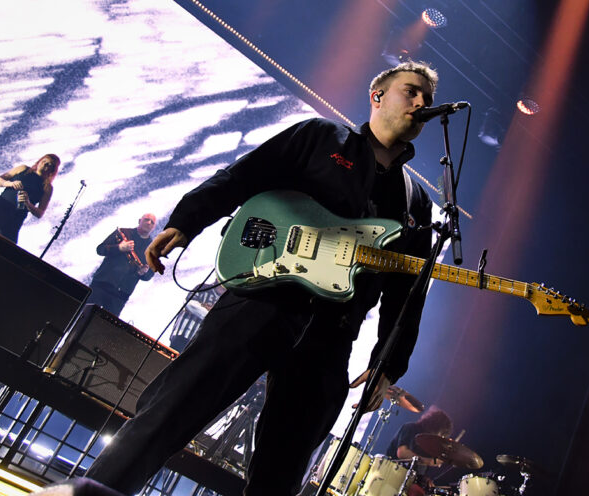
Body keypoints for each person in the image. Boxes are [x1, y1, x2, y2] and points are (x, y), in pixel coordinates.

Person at [84, 60, 439, 496]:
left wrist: (388, 360)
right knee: (170, 414)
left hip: (333, 333)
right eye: (411, 91)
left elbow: (408, 292)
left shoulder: (416, 201)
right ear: (377, 96)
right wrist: (188, 219)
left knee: (282, 472)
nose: (422, 102)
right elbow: (244, 174)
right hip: (263, 299)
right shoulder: (320, 137)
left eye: (428, 98)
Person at [88, 214, 157, 317]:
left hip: (120, 295)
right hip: (101, 284)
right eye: (146, 219)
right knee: (85, 315)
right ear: (139, 220)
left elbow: (149, 275)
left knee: (103, 326)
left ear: (154, 227)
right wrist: (119, 248)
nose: (149, 223)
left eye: (152, 222)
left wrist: (143, 273)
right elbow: (100, 249)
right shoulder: (123, 232)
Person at [385, 406, 454, 496]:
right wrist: (429, 461)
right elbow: (401, 453)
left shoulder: (429, 446)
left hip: (409, 483)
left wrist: (426, 479)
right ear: (434, 426)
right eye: (441, 433)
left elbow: (420, 472)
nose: (439, 437)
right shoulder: (410, 428)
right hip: (391, 474)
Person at [0, 154, 60, 243]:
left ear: (52, 170)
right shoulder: (23, 169)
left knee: (1, 244)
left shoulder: (47, 187)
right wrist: (10, 183)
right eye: (44, 161)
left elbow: (40, 213)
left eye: (49, 165)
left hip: (15, 219)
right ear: (39, 161)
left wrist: (28, 203)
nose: (45, 165)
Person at [169, 283, 226, 352]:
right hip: (182, 335)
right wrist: (211, 313)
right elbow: (190, 304)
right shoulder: (203, 288)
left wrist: (203, 307)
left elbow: (221, 320)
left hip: (200, 345)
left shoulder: (226, 301)